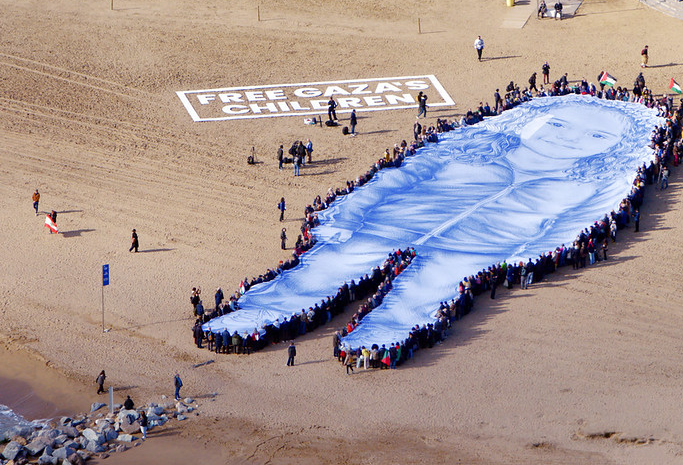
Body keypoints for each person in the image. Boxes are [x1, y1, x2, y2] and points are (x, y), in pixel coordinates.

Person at [202, 97, 658, 351]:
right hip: (394, 229)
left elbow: (561, 228)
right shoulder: (476, 156)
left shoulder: (578, 187)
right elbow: (396, 183)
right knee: (322, 273)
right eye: (559, 128)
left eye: (594, 138)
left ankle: (370, 342)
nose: (571, 139)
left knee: (415, 296)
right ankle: (245, 320)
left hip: (460, 257)